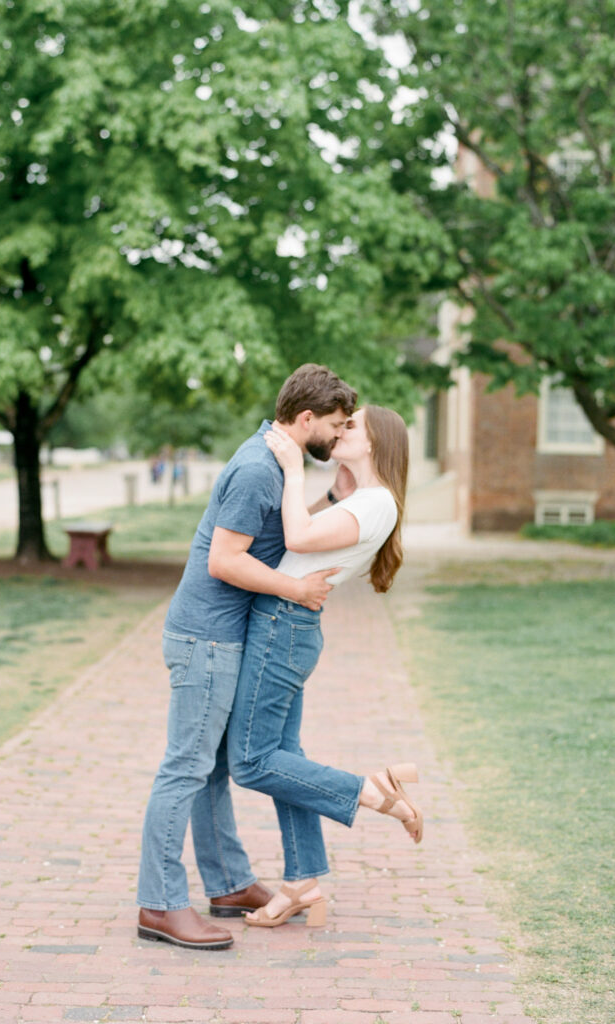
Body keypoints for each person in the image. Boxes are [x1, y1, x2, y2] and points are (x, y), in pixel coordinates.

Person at [136, 364, 357, 951]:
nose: (337, 438)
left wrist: (334, 497)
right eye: (333, 427)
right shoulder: (260, 467)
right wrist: (297, 591)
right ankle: (159, 904)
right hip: (205, 638)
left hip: (219, 636)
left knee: (210, 768)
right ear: (304, 419)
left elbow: (275, 534)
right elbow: (226, 561)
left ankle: (229, 884)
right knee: (185, 767)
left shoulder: (271, 460)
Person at [227, 405, 422, 928]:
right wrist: (331, 492)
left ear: (375, 443)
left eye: (351, 426)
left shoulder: (378, 504)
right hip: (286, 624)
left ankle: (371, 790)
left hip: (283, 627)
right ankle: (301, 881)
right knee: (284, 757)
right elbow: (305, 530)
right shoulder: (363, 500)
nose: (340, 431)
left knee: (250, 760)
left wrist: (293, 469)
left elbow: (296, 540)